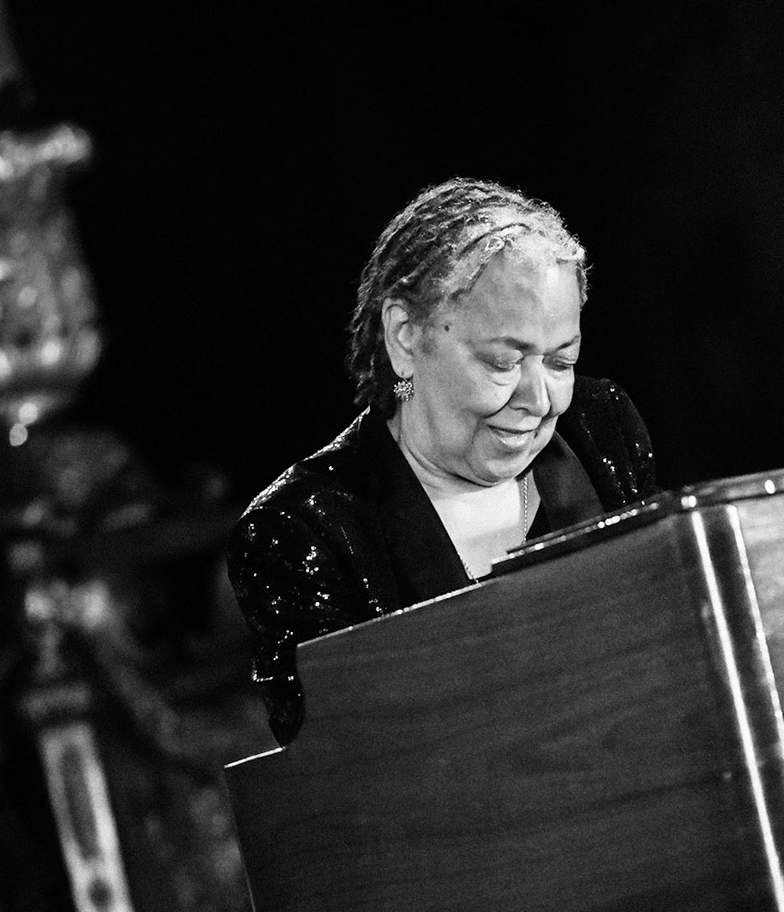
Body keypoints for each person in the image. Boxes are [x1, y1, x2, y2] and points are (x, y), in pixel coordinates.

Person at [228, 179, 658, 745]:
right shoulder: (304, 530)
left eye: (560, 361)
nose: (538, 399)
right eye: (503, 361)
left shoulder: (602, 428)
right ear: (406, 337)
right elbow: (341, 779)